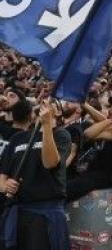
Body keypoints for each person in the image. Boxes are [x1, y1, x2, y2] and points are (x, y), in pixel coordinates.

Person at [0, 97, 71, 250]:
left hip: (45, 213)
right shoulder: (17, 138)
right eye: (42, 102)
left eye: (52, 102)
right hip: (17, 211)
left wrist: (46, 126)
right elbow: (3, 174)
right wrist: (5, 186)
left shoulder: (62, 135)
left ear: (58, 112)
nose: (45, 103)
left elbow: (50, 162)